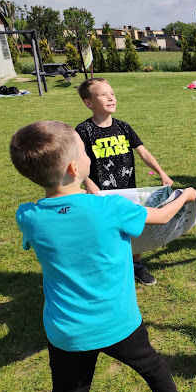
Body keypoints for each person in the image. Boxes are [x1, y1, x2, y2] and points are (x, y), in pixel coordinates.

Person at [10, 121, 196, 392]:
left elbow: (66, 216)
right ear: (74, 168)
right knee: (152, 367)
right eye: (84, 151)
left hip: (66, 331)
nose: (88, 155)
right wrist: (186, 196)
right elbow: (163, 215)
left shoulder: (28, 217)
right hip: (118, 321)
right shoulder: (111, 207)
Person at [75, 78, 172, 286]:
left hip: (128, 191)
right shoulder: (83, 131)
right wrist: (88, 182)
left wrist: (161, 173)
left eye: (112, 93)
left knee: (134, 228)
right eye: (103, 94)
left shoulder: (123, 128)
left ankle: (137, 266)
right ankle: (108, 269)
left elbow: (144, 153)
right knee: (104, 231)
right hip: (101, 195)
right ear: (89, 103)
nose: (111, 98)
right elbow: (76, 160)